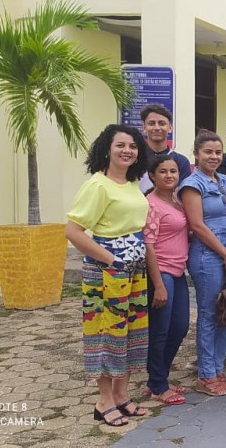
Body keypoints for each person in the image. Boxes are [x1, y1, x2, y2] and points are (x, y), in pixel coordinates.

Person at [65, 124, 152, 426]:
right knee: (105, 333)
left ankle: (122, 395)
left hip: (134, 270)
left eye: (133, 146)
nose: (128, 150)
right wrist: (111, 259)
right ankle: (103, 401)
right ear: (107, 148)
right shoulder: (97, 185)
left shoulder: (133, 183)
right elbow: (73, 232)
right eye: (121, 145)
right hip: (106, 271)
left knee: (130, 332)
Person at [179, 130, 226, 396]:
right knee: (209, 315)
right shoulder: (192, 185)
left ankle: (218, 368)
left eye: (218, 152)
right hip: (207, 258)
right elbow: (197, 225)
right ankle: (206, 374)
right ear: (196, 154)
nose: (214, 156)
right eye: (208, 152)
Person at [143, 155, 191, 406]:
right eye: (163, 171)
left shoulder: (176, 201)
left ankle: (158, 377)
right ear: (153, 175)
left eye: (173, 171)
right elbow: (148, 245)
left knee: (180, 327)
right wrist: (158, 285)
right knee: (160, 331)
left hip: (178, 271)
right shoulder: (151, 203)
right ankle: (159, 385)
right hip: (160, 272)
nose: (170, 176)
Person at [138, 104, 191, 192]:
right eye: (151, 123)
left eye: (162, 123)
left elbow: (183, 193)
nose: (157, 128)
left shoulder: (181, 161)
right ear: (144, 127)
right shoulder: (135, 158)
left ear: (170, 128)